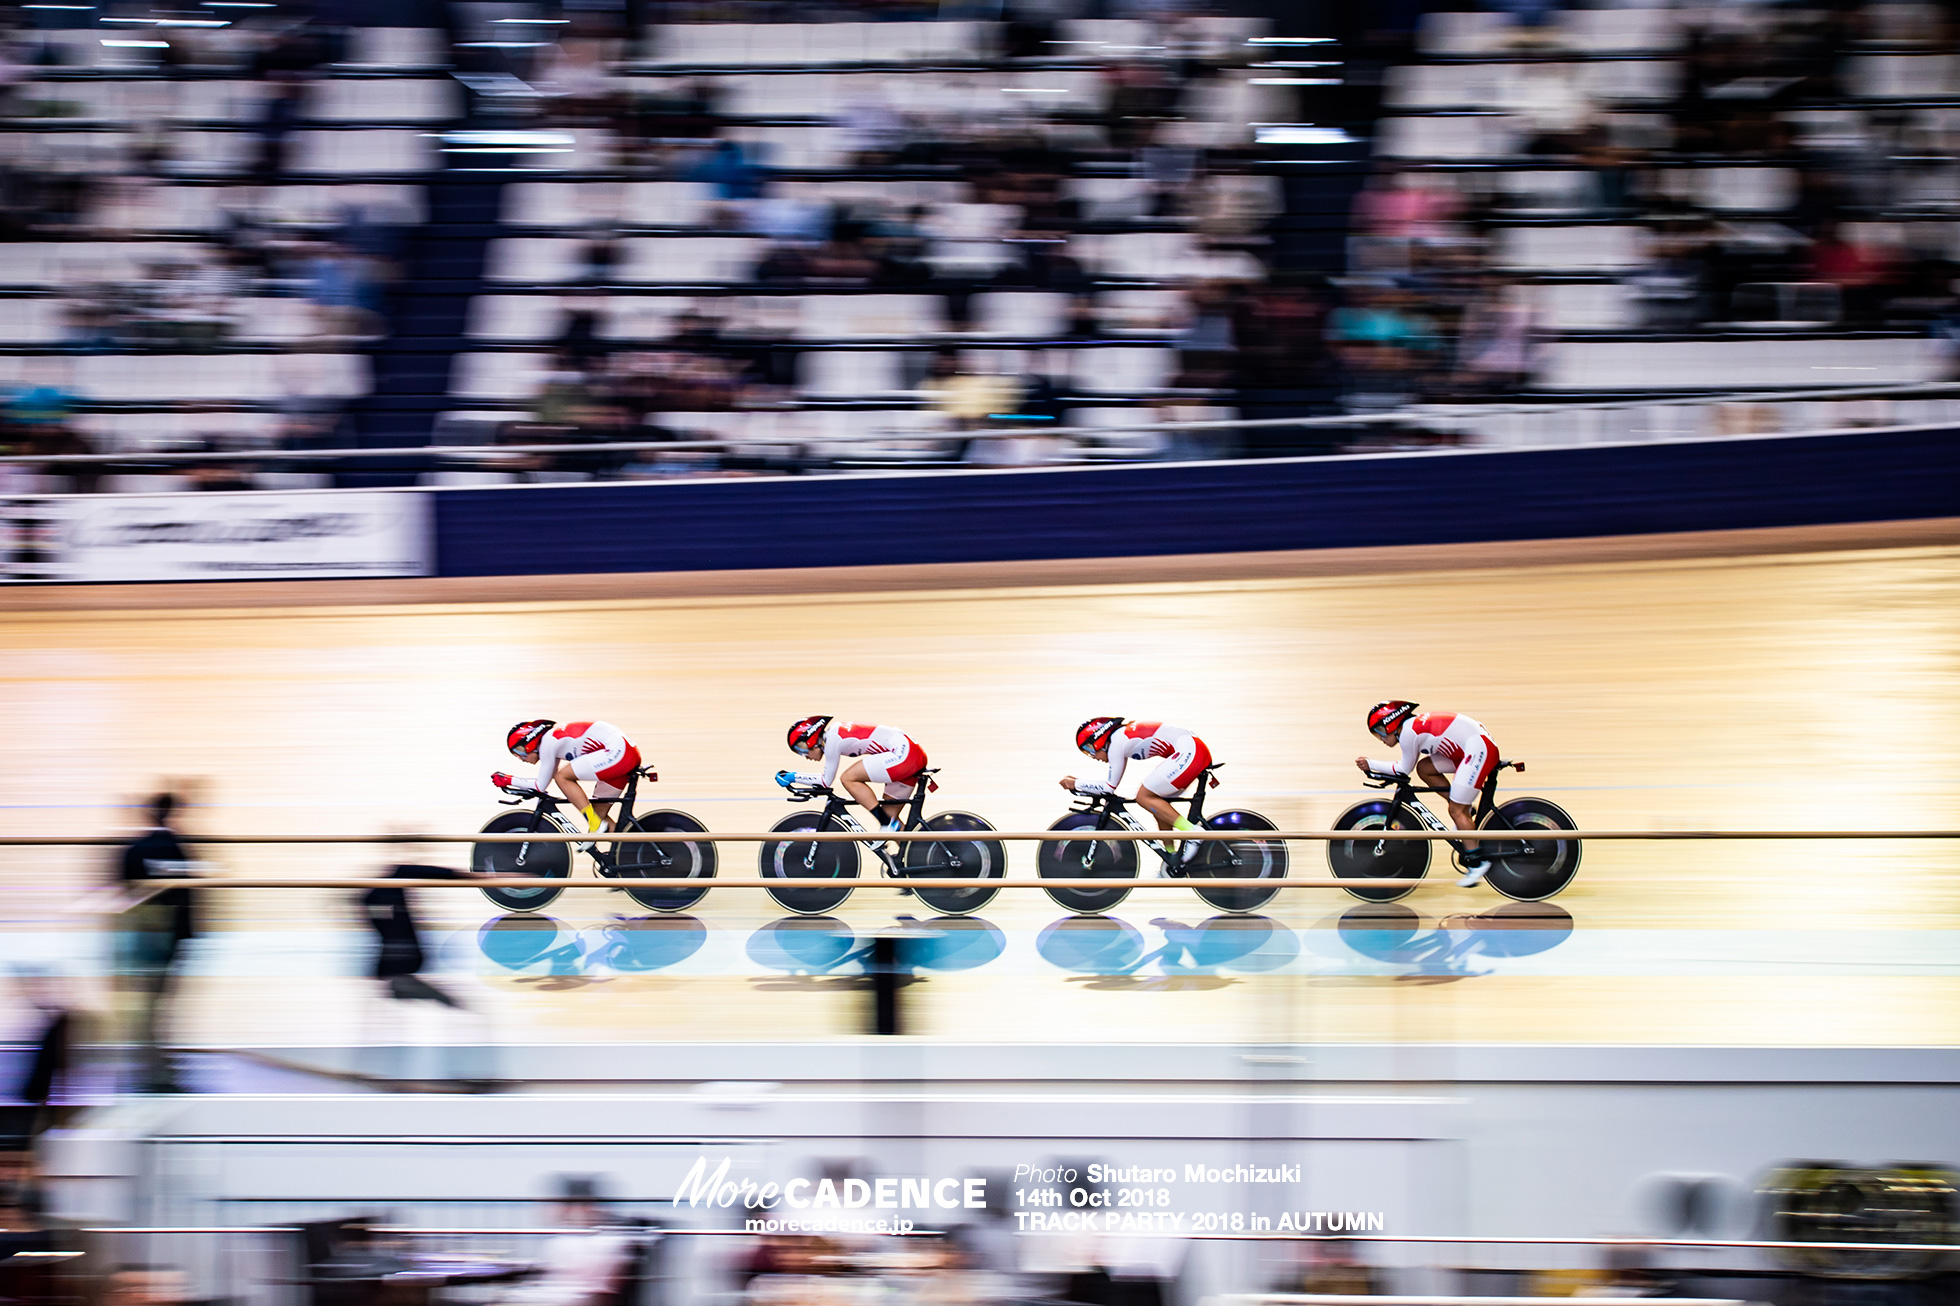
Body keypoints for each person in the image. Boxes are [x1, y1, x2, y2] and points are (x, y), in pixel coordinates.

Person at [1355, 701, 1499, 886]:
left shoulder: (1408, 733)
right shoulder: (1410, 727)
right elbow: (1411, 768)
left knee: (1456, 811)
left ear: (1390, 723)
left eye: (1381, 733)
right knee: (1425, 768)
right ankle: (1467, 811)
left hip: (1478, 749)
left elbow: (1403, 769)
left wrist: (1370, 764)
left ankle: (1477, 863)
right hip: (1471, 747)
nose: (1382, 740)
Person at [116, 792, 201, 1093]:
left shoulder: (132, 850)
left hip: (140, 937)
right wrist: (191, 935)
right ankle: (157, 1070)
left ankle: (149, 1066)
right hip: (168, 939)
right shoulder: (179, 849)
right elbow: (188, 895)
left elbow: (123, 895)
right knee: (161, 1005)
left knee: (147, 1006)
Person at [1061, 718, 1211, 863]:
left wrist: (1076, 783)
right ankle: (1171, 857)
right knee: (1157, 804)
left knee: (1143, 797)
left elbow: (1109, 788)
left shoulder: (1116, 743)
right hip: (1192, 749)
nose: (1092, 757)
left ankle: (1193, 833)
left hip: (1191, 751)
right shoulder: (1120, 737)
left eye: (1089, 750)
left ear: (1099, 739)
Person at [775, 716, 926, 834]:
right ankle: (909, 859)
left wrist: (793, 776)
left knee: (848, 778)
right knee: (891, 819)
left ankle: (886, 823)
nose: (804, 756)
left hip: (904, 754)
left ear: (811, 740)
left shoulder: (833, 740)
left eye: (801, 749)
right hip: (909, 753)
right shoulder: (834, 734)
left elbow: (825, 781)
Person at [493, 720, 644, 835]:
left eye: (519, 753)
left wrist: (508, 779)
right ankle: (628, 849)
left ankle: (594, 823)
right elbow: (546, 778)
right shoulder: (552, 741)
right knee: (599, 815)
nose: (521, 759)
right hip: (623, 753)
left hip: (618, 753)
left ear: (528, 743)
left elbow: (540, 785)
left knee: (563, 777)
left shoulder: (547, 744)